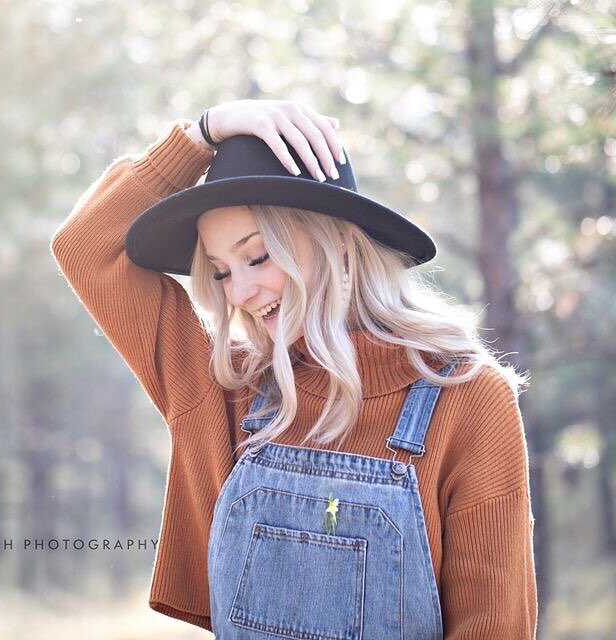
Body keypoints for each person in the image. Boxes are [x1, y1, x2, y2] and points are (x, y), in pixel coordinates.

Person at [50, 98, 537, 639]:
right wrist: (205, 133)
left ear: (339, 242)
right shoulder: (223, 385)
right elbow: (85, 246)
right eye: (220, 272)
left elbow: (494, 625)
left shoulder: (466, 396)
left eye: (256, 257)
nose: (239, 292)